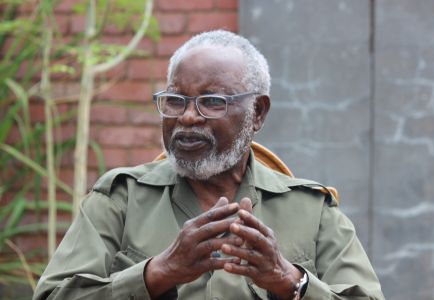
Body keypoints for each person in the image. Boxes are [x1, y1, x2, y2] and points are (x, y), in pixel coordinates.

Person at [33, 30, 384, 300]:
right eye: (175, 100)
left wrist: (289, 280)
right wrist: (157, 273)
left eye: (212, 102)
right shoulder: (120, 199)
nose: (187, 117)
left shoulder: (312, 212)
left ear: (257, 113)